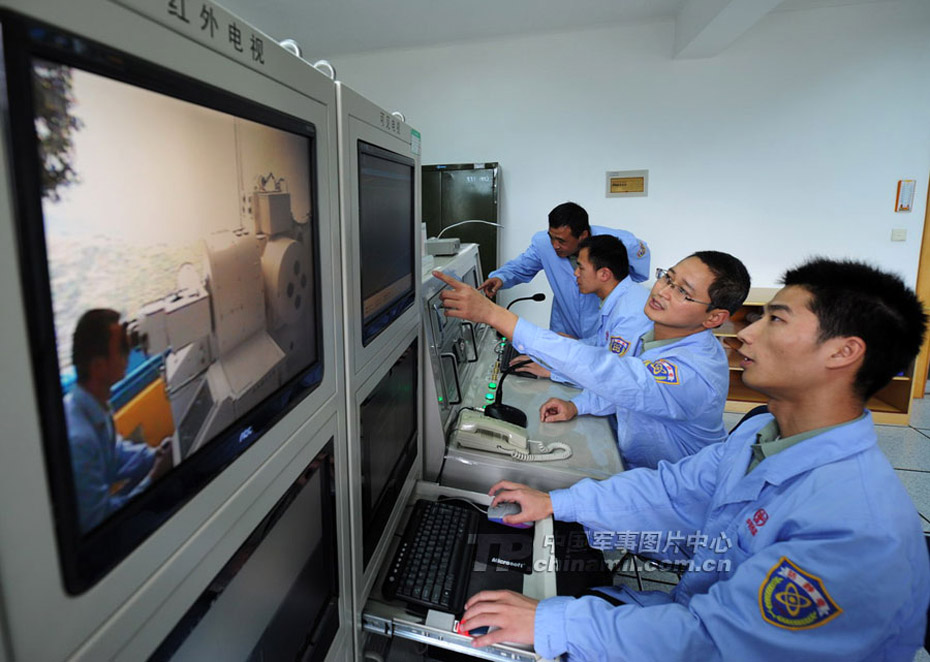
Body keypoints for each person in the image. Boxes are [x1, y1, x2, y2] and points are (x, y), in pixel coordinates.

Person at [458, 258, 929, 661]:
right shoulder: (761, 436)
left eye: (776, 320)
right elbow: (671, 488)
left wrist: (555, 624)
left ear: (843, 352)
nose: (745, 333)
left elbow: (716, 645)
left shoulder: (853, 530)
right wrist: (557, 503)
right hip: (695, 612)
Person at [437, 250, 750, 468]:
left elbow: (611, 373)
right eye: (668, 277)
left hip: (674, 493)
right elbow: (626, 386)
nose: (663, 291)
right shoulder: (663, 336)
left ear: (714, 318)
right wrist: (578, 405)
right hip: (642, 469)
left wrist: (494, 315)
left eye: (683, 291)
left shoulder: (692, 372)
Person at [64, 308, 173, 533]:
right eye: (122, 347)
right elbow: (101, 522)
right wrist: (154, 478)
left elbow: (115, 453)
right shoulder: (79, 441)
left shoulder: (92, 404)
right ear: (98, 366)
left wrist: (155, 456)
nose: (129, 351)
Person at [479, 201, 650, 339]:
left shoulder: (619, 243)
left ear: (583, 236)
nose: (555, 245)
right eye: (551, 237)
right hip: (564, 326)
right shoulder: (544, 243)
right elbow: (522, 266)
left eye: (561, 241)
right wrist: (500, 278)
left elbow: (637, 275)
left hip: (599, 328)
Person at [514, 234, 651, 382]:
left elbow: (612, 376)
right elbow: (602, 344)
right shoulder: (621, 296)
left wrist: (552, 371)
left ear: (604, 274)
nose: (576, 273)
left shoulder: (630, 314)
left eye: (581, 267)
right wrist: (567, 345)